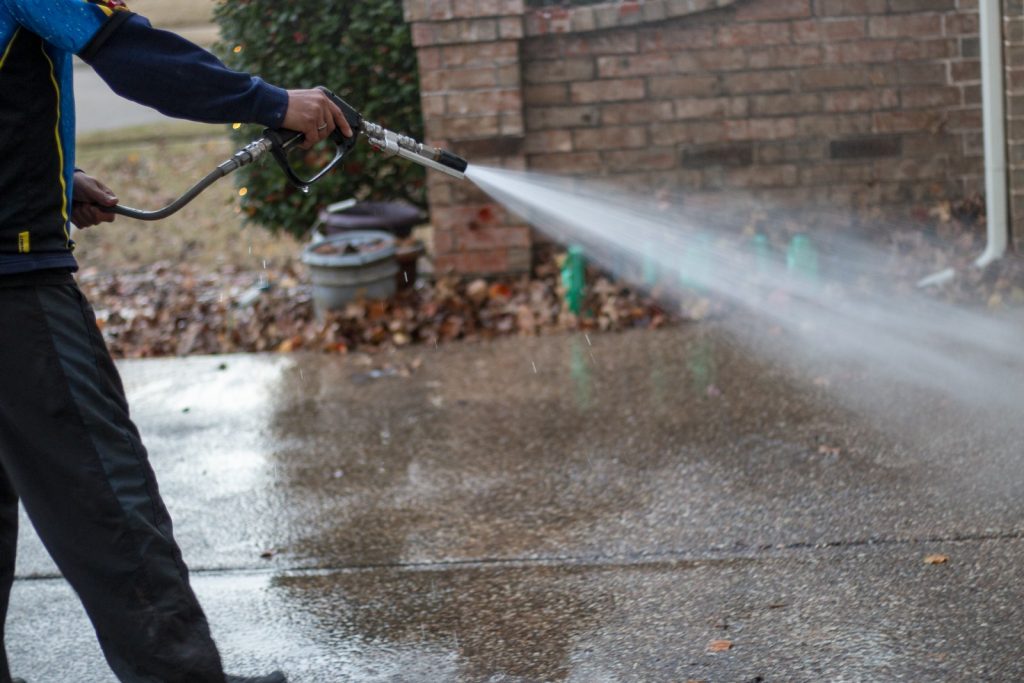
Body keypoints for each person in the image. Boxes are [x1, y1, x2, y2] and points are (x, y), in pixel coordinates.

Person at [0, 1, 353, 681]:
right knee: (111, 510)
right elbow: (127, 53)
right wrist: (274, 103)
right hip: (16, 297)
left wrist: (53, 178)